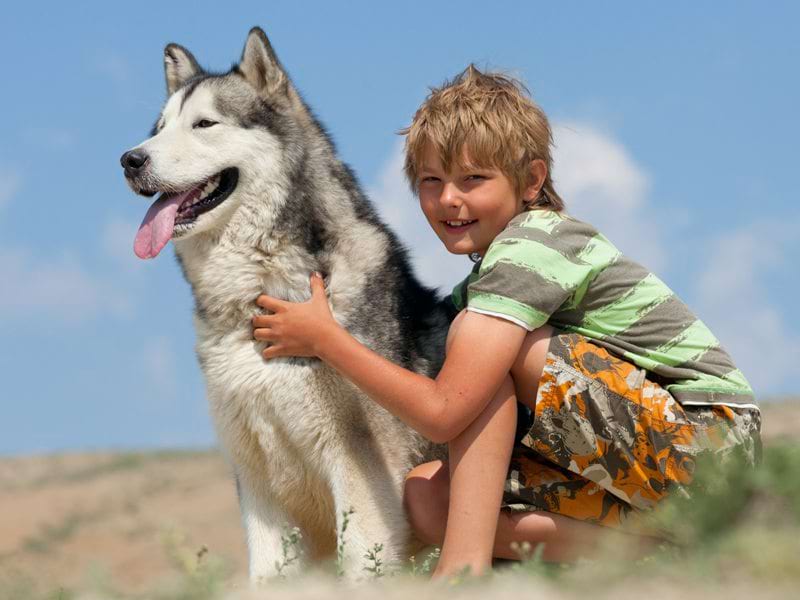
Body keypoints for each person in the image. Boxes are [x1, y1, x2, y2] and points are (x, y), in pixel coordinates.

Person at [250, 65, 761, 578]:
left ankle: (461, 573)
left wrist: (327, 340)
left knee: (485, 349)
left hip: (710, 448)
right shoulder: (488, 281)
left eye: (473, 178)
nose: (449, 198)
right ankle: (663, 548)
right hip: (655, 473)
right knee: (428, 497)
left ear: (532, 180)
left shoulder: (535, 246)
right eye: (431, 181)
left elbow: (444, 412)